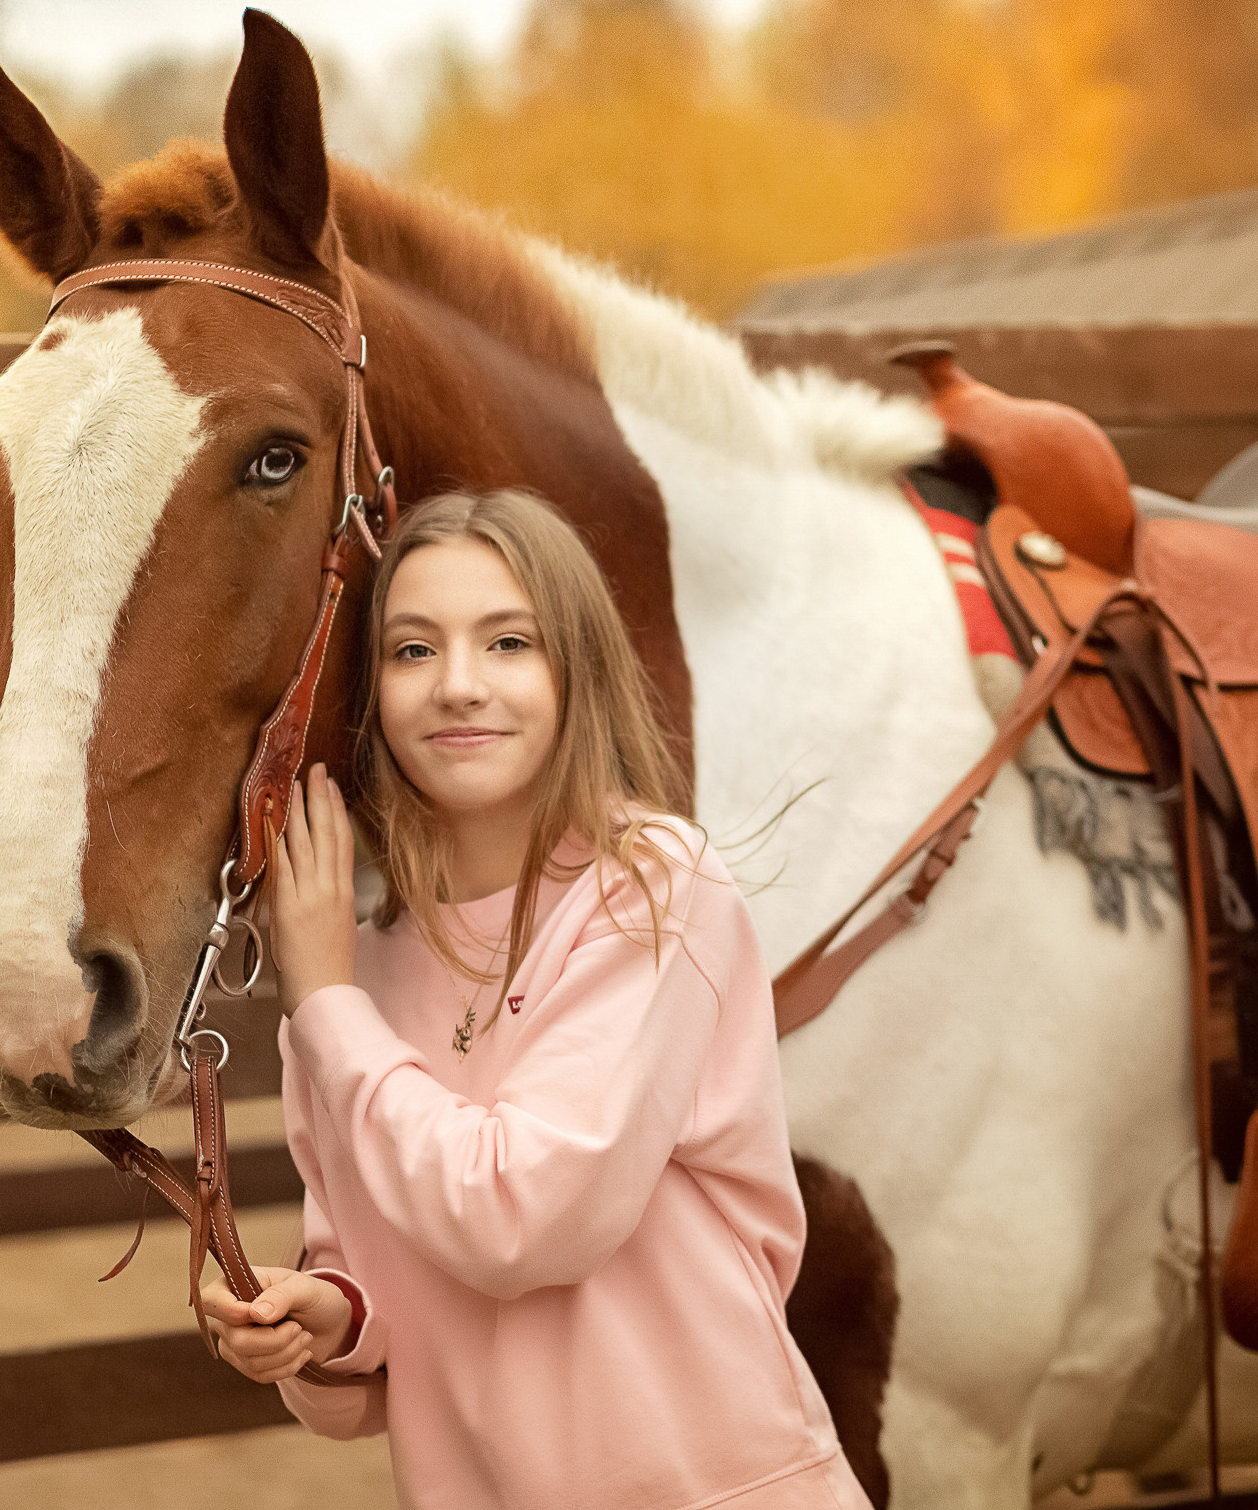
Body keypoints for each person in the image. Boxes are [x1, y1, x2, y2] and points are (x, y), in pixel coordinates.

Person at [197, 488, 866, 1510]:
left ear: (576, 671)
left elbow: (523, 1219)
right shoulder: (350, 977)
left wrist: (325, 1001)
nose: (459, 685)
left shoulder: (652, 887)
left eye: (510, 642)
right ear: (371, 692)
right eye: (413, 651)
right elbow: (359, 1361)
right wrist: (318, 1322)